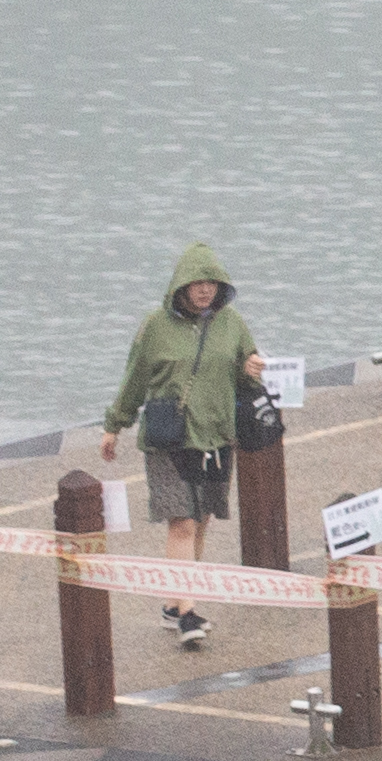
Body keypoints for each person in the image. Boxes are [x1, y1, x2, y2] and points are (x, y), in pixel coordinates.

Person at [99, 243, 264, 651]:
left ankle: (174, 603)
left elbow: (247, 381)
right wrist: (114, 425)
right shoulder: (155, 327)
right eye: (196, 283)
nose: (205, 290)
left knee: (202, 519)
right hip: (169, 437)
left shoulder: (232, 324)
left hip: (216, 435)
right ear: (181, 287)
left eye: (211, 283)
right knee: (183, 522)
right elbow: (134, 378)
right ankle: (188, 611)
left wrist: (251, 370)